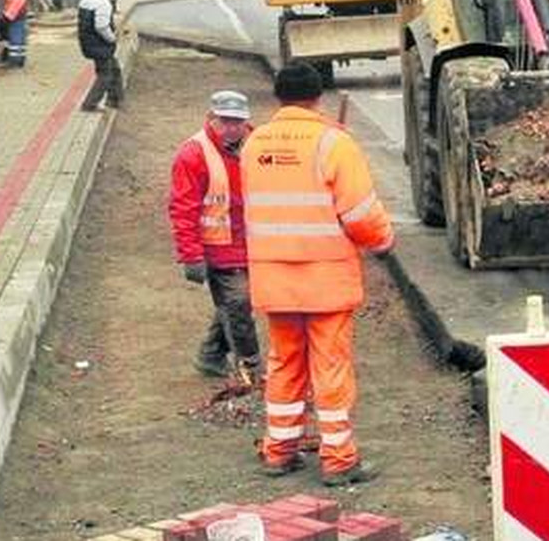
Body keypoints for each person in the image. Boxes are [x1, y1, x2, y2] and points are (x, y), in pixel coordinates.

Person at [241, 63, 394, 487]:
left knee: (284, 363)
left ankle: (279, 451)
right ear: (318, 96)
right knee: (330, 369)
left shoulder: (255, 144)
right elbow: (361, 212)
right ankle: (339, 460)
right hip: (326, 280)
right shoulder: (334, 143)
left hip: (274, 279)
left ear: (278, 96)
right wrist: (382, 241)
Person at [169, 90, 261, 379]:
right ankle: (251, 367)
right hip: (218, 249)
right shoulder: (193, 154)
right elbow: (183, 208)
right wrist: (191, 256)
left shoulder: (257, 145)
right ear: (211, 119)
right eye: (226, 121)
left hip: (252, 243)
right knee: (238, 303)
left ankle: (211, 355)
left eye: (238, 122)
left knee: (232, 303)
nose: (233, 128)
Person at [78, 0, 124, 111]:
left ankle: (115, 99)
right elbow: (101, 26)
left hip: (88, 42)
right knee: (105, 74)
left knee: (114, 69)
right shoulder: (103, 3)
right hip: (99, 44)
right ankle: (90, 104)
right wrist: (113, 38)